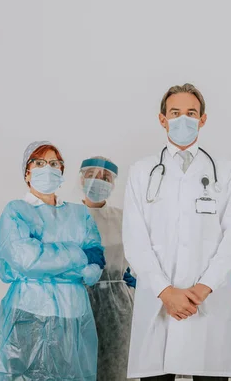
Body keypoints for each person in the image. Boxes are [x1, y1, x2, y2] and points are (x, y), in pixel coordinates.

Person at [123, 83, 231, 381]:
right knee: (157, 371)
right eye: (175, 112)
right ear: (162, 119)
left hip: (207, 300)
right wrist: (165, 292)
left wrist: (203, 288)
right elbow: (135, 238)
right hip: (158, 301)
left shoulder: (225, 170)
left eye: (191, 113)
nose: (183, 120)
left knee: (209, 371)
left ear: (203, 119)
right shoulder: (142, 171)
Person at [0, 141, 106, 381]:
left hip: (74, 314)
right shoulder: (17, 210)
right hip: (29, 313)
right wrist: (78, 256)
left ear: (61, 171)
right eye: (39, 163)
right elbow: (27, 260)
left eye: (54, 163)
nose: (47, 168)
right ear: (27, 172)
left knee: (74, 376)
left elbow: (95, 268)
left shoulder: (79, 213)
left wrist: (49, 258)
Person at [80, 156, 136, 381]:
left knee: (116, 366)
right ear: (81, 178)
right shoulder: (70, 215)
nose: (98, 181)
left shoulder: (123, 218)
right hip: (79, 299)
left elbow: (139, 254)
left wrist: (135, 278)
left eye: (105, 177)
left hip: (118, 304)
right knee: (80, 363)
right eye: (92, 175)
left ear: (113, 184)